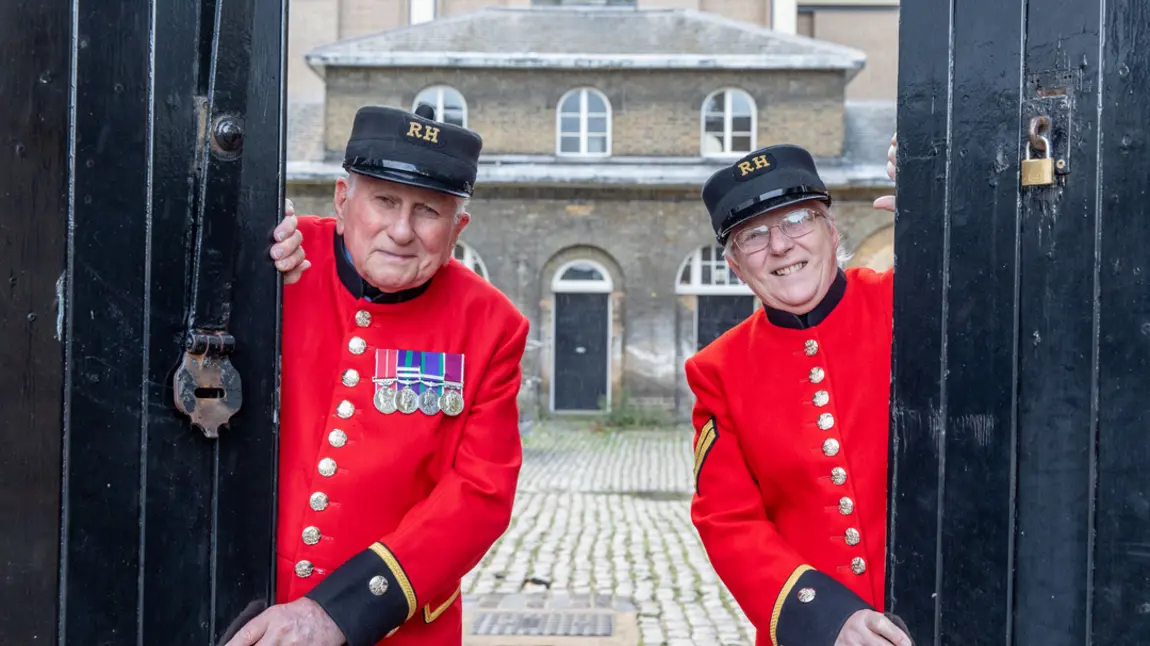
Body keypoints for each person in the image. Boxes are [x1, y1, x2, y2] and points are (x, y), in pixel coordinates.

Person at [226, 103, 530, 646]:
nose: (401, 230)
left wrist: (339, 611)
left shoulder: (491, 326)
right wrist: (240, 238)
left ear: (457, 227)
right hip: (243, 608)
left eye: (429, 212)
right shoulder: (279, 259)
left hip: (393, 623)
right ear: (343, 201)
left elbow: (481, 493)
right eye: (384, 200)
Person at [687, 140, 911, 646]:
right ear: (735, 266)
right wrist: (826, 618)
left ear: (831, 232)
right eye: (754, 236)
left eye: (798, 221)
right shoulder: (716, 371)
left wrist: (944, 206)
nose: (781, 246)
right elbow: (727, 519)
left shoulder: (907, 301)